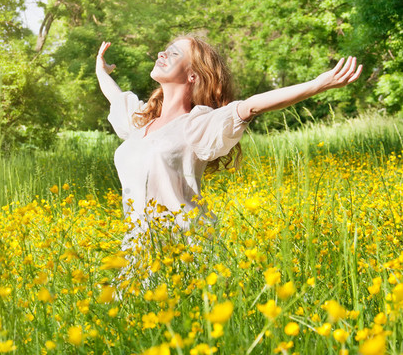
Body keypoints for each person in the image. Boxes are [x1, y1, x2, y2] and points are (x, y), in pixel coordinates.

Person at [96, 35, 362, 283]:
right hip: (137, 250)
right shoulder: (141, 122)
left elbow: (251, 106)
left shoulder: (197, 124)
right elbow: (116, 97)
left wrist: (317, 85)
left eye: (173, 53)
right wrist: (100, 70)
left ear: (192, 75)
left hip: (184, 249)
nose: (161, 54)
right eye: (165, 50)